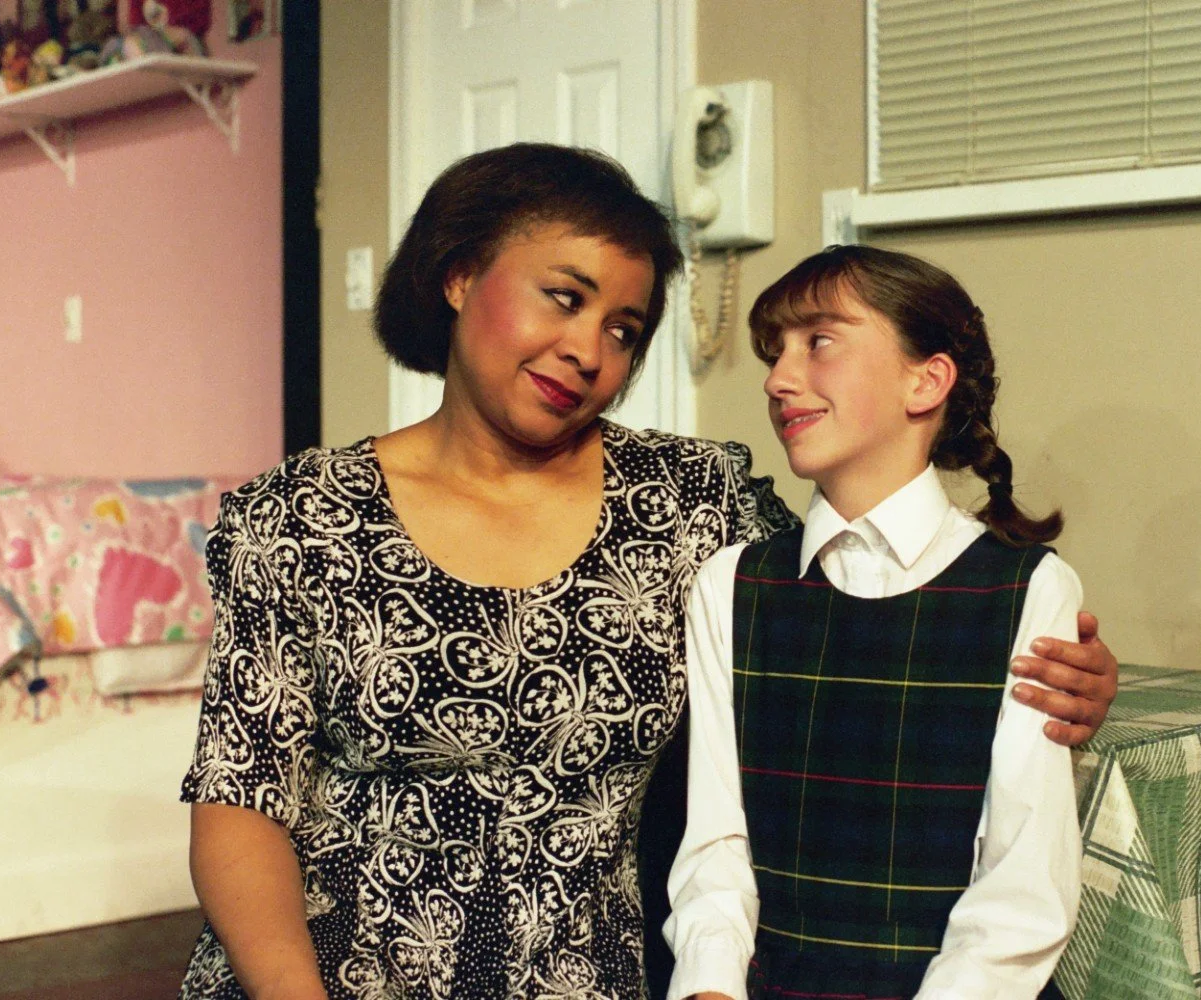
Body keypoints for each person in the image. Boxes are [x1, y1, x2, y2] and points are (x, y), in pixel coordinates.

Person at [178, 144, 1118, 1000]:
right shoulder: (299, 517)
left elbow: (876, 597)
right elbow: (238, 802)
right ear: (460, 274)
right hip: (328, 979)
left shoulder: (687, 500)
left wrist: (1075, 673)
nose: (590, 352)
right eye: (564, 296)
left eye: (624, 330)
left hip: (593, 978)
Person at [666, 245, 1085, 1000]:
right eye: (776, 351)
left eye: (818, 342)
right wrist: (710, 987)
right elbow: (717, 846)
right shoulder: (732, 585)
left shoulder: (1028, 589)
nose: (777, 378)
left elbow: (1022, 892)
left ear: (925, 380)